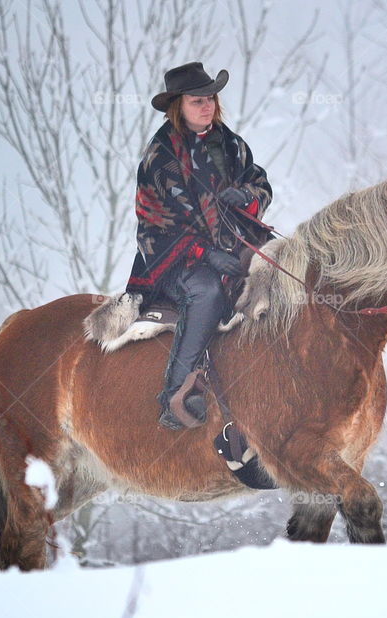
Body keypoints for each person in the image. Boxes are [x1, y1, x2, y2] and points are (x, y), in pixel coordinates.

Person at [125, 62, 272, 431]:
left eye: (210, 98)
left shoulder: (231, 144)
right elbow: (157, 221)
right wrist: (205, 254)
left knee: (281, 268)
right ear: (179, 105)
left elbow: (261, 185)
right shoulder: (161, 157)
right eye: (196, 100)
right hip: (171, 257)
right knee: (206, 291)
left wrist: (247, 197)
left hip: (234, 242)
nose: (206, 106)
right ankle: (176, 395)